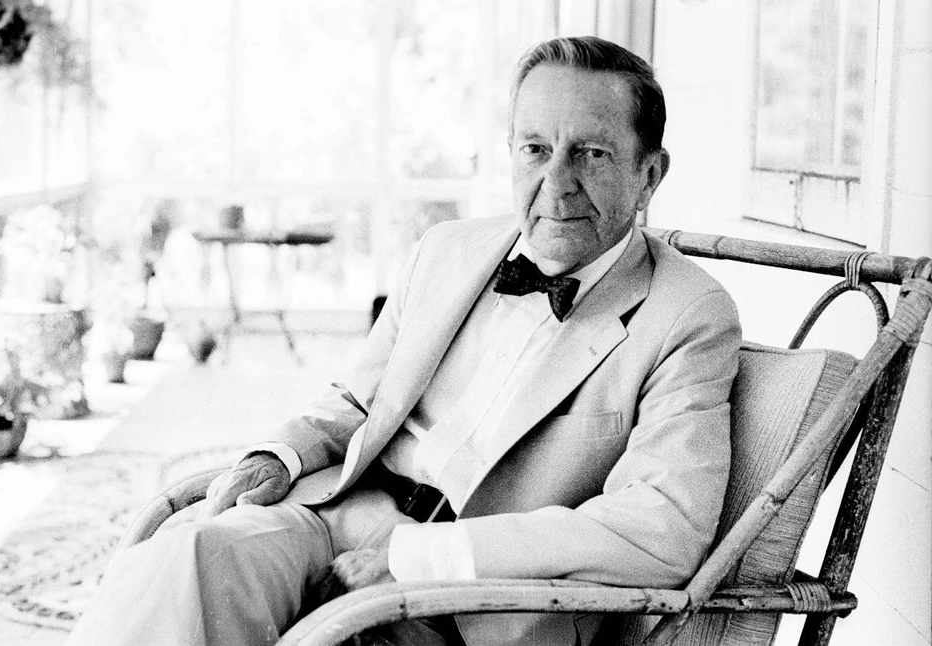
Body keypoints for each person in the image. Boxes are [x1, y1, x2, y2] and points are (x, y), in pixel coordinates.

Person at [68, 36, 741, 646]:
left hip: (476, 597)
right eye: (536, 149)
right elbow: (358, 402)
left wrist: (418, 560)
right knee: (183, 558)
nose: (557, 184)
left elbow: (664, 526)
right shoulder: (447, 251)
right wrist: (280, 455)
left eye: (592, 154)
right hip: (339, 509)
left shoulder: (687, 315)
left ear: (650, 174)